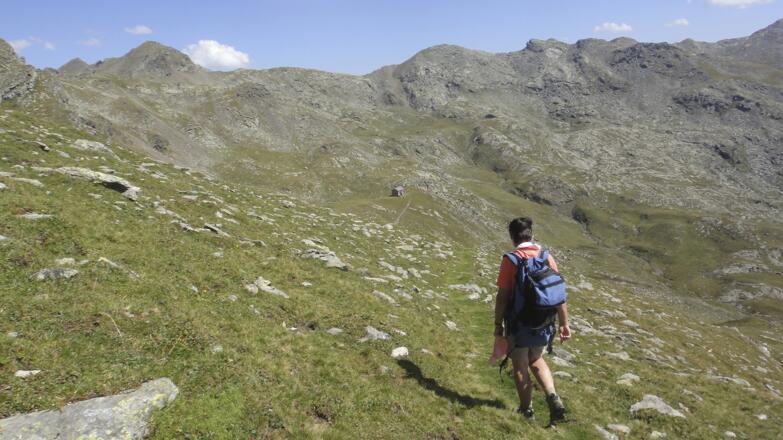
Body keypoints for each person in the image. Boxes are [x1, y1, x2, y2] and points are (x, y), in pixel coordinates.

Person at [493, 217, 571, 425]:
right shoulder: (546, 256)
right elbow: (558, 294)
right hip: (544, 322)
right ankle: (553, 397)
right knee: (536, 359)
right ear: (531, 234)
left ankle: (526, 410)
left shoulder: (511, 260)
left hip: (519, 323)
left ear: (512, 237)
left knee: (520, 364)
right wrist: (564, 324)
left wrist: (498, 325)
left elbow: (503, 296)